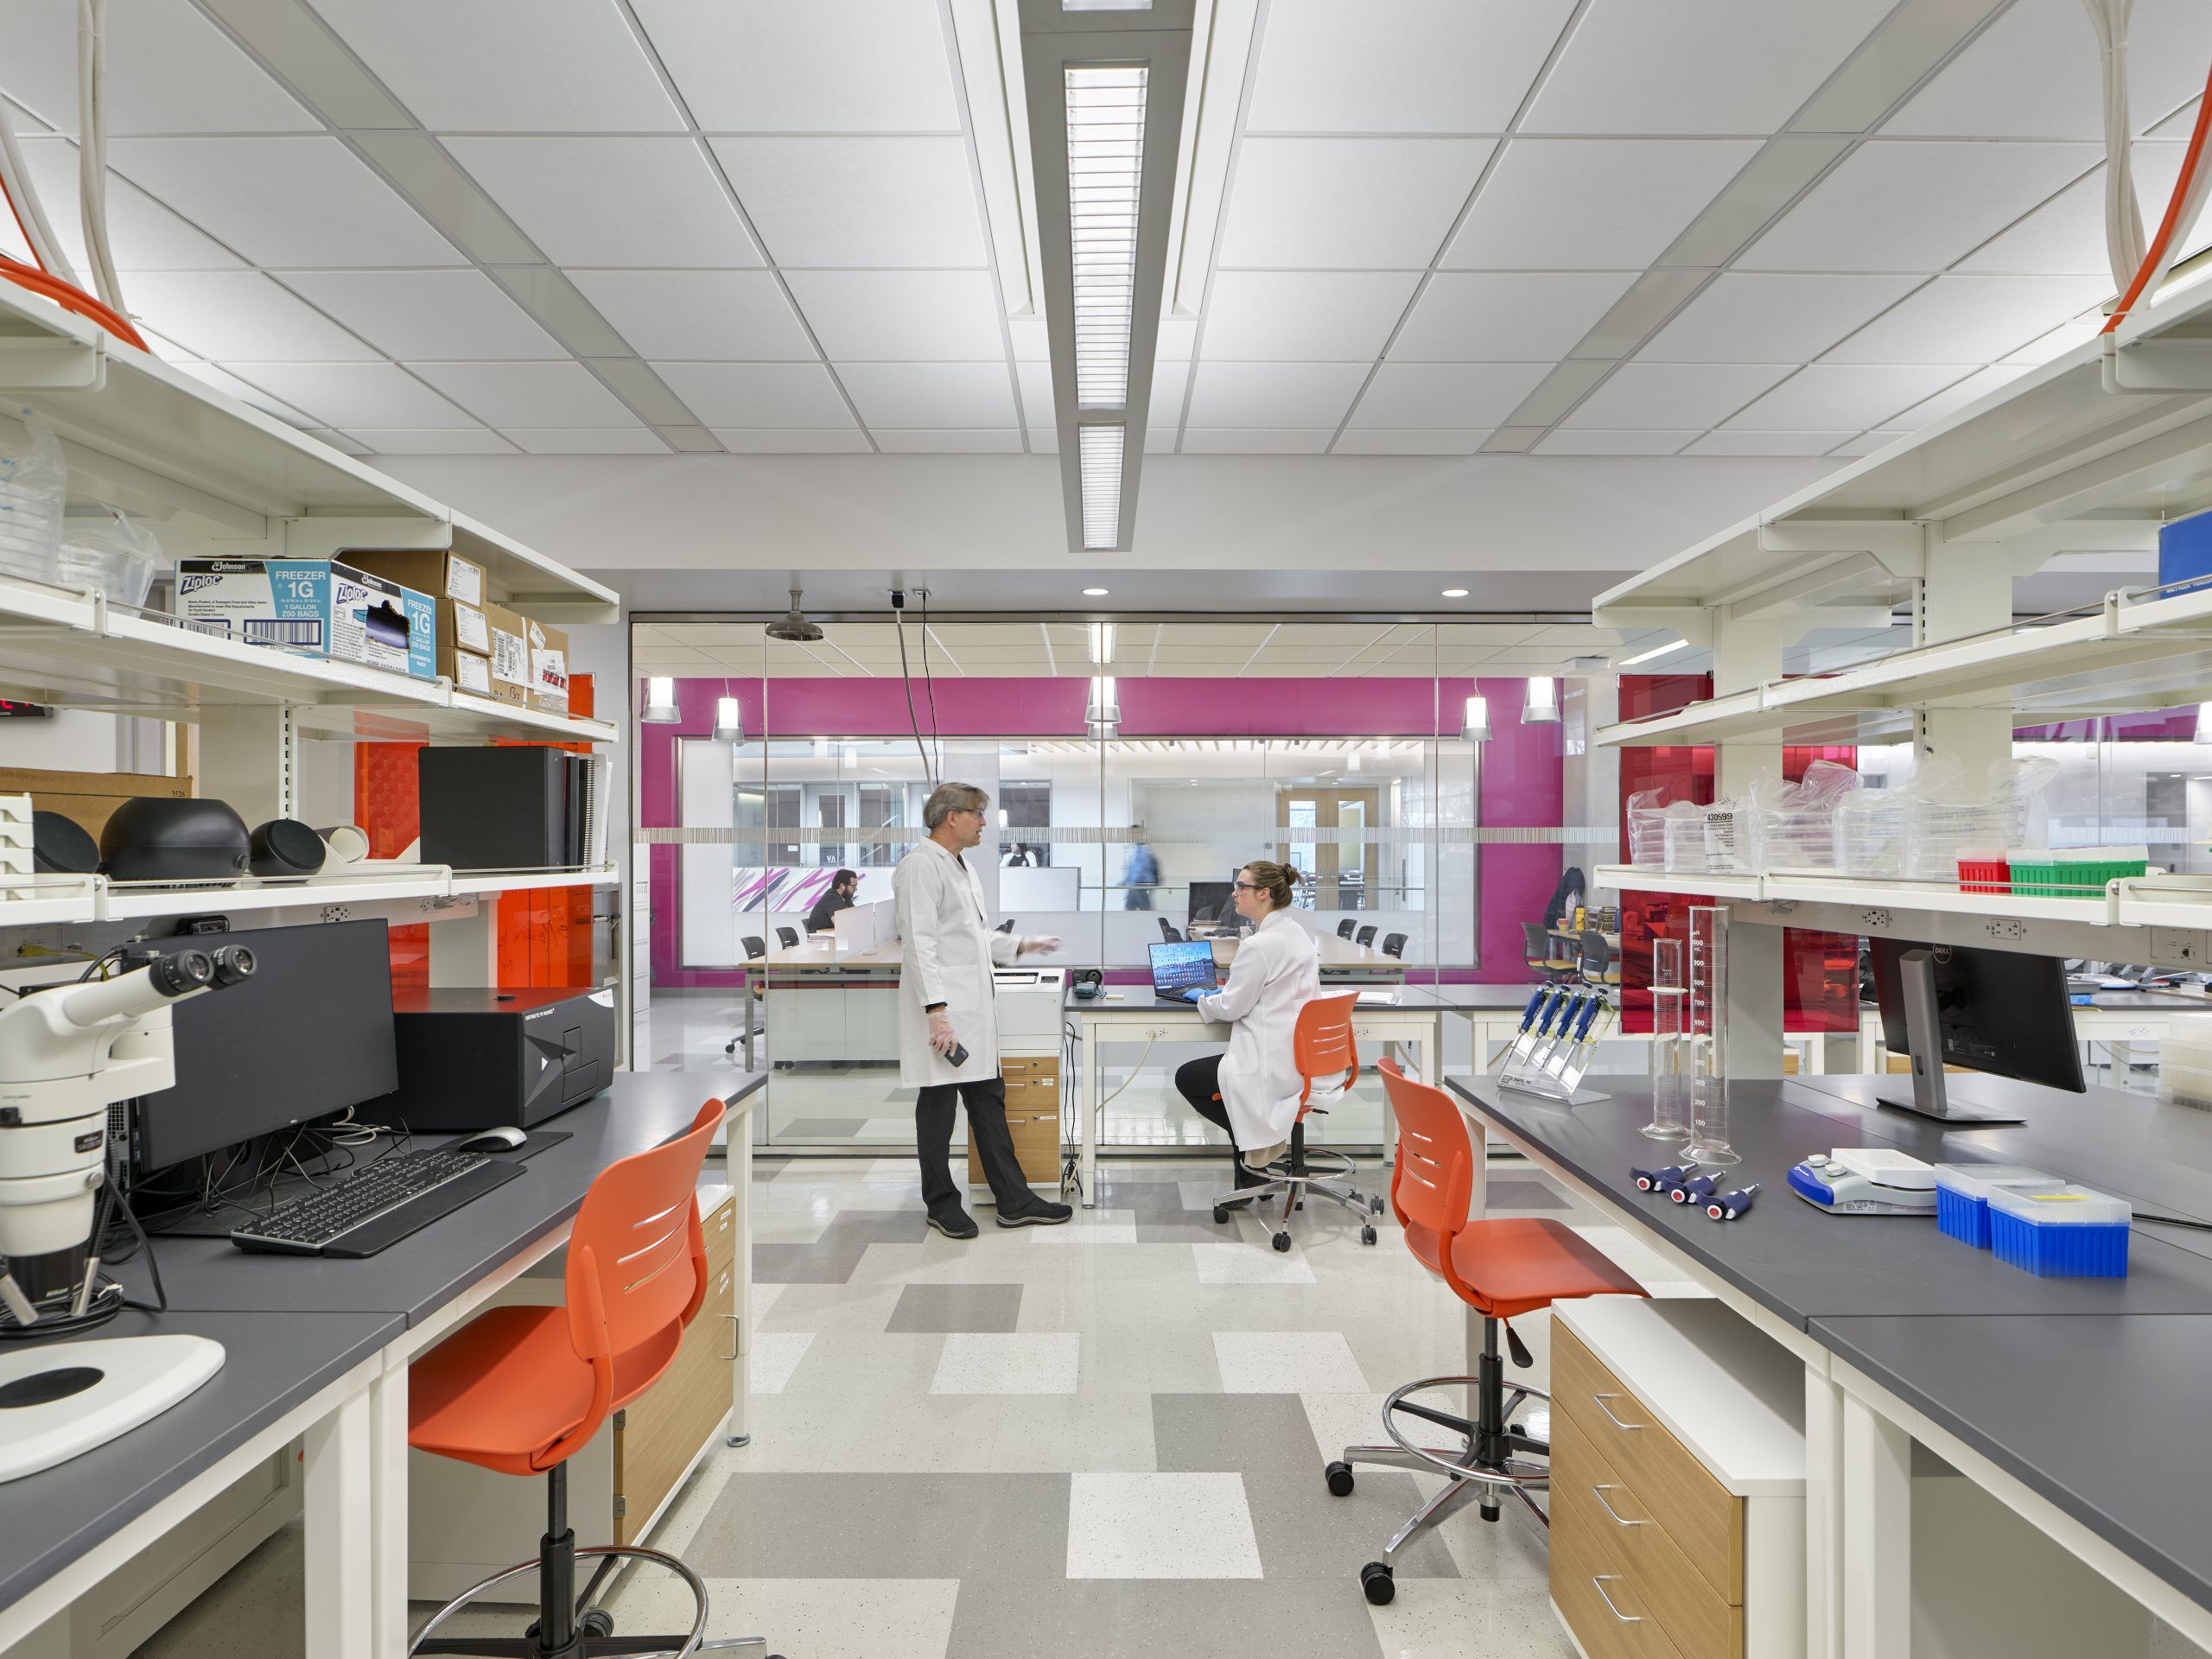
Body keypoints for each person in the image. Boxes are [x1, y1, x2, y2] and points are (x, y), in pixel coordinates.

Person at [894, 782, 1073, 1238]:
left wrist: (1020, 945)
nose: (984, 822)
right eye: (978, 813)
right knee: (937, 1110)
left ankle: (1014, 1200)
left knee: (989, 1103)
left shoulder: (961, 868)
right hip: (944, 1013)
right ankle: (940, 1203)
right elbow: (919, 944)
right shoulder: (920, 866)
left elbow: (974, 937)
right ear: (951, 816)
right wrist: (936, 1011)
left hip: (973, 1011)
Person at [1171, 859, 1319, 1204]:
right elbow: (1267, 990)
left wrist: (1204, 999)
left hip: (1270, 1063)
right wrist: (1228, 991)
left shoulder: (1258, 946)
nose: (1234, 893)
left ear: (1264, 893)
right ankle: (1252, 1160)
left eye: (1241, 887)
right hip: (1301, 1059)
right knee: (1215, 1082)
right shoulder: (1295, 932)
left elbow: (1233, 1008)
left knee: (1188, 1078)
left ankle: (1251, 1153)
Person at [805, 868, 858, 935]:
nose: (856, 889)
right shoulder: (832, 898)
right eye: (853, 886)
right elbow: (841, 925)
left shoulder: (846, 897)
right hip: (820, 938)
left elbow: (856, 916)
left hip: (831, 934)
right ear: (842, 886)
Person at [1122, 829, 1158, 909]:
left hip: (1140, 887)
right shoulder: (1133, 850)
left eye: (1135, 834)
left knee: (1145, 913)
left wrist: (1130, 882)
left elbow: (1141, 869)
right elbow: (1131, 869)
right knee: (1130, 912)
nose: (1133, 837)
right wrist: (1125, 882)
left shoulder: (1144, 849)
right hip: (1133, 888)